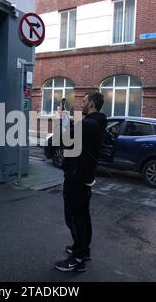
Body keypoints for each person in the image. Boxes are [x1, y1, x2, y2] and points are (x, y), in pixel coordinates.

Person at [54, 92, 107, 272]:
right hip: (85, 175)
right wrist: (67, 121)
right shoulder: (96, 123)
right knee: (83, 215)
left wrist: (60, 123)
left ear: (91, 104)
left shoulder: (90, 124)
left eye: (84, 102)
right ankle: (83, 249)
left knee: (74, 216)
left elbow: (64, 139)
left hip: (76, 177)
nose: (81, 104)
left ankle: (77, 258)